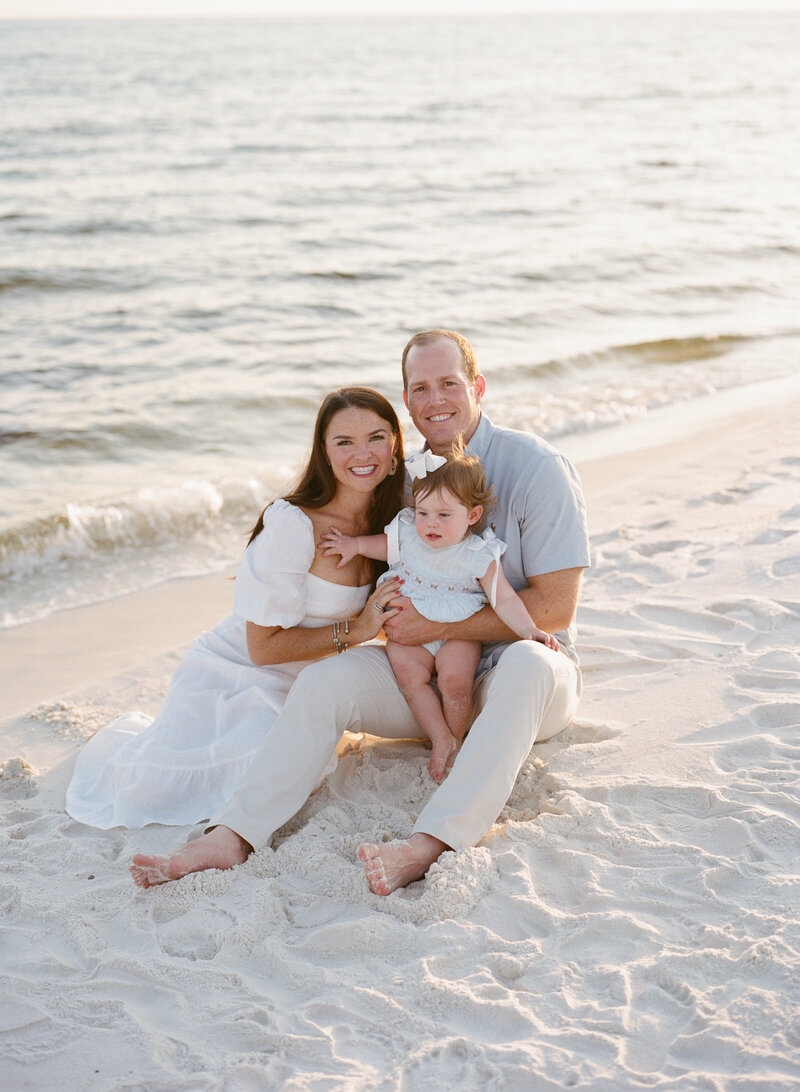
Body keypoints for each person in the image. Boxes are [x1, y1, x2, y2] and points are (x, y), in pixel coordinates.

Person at [130, 330, 590, 895]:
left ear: (478, 388)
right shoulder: (407, 484)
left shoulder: (538, 468)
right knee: (326, 680)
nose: (436, 399)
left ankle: (431, 844)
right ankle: (233, 835)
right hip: (427, 672)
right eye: (419, 388)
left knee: (530, 664)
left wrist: (444, 627)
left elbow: (554, 607)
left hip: (525, 684)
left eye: (450, 383)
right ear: (407, 403)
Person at [66, 387, 405, 830]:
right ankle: (118, 744)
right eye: (344, 442)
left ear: (395, 445)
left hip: (314, 683)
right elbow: (262, 648)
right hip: (237, 675)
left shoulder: (395, 523)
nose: (363, 454)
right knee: (185, 781)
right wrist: (357, 630)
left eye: (376, 437)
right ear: (324, 452)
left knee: (293, 755)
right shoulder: (294, 525)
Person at [320, 446, 559, 782]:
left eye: (444, 515)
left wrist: (529, 630)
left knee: (455, 684)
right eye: (423, 513)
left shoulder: (478, 554)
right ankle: (440, 738)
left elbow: (503, 598)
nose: (430, 523)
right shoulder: (407, 534)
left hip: (456, 632)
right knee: (410, 680)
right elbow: (378, 545)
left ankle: (457, 739)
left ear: (473, 515)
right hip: (407, 628)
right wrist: (353, 545)